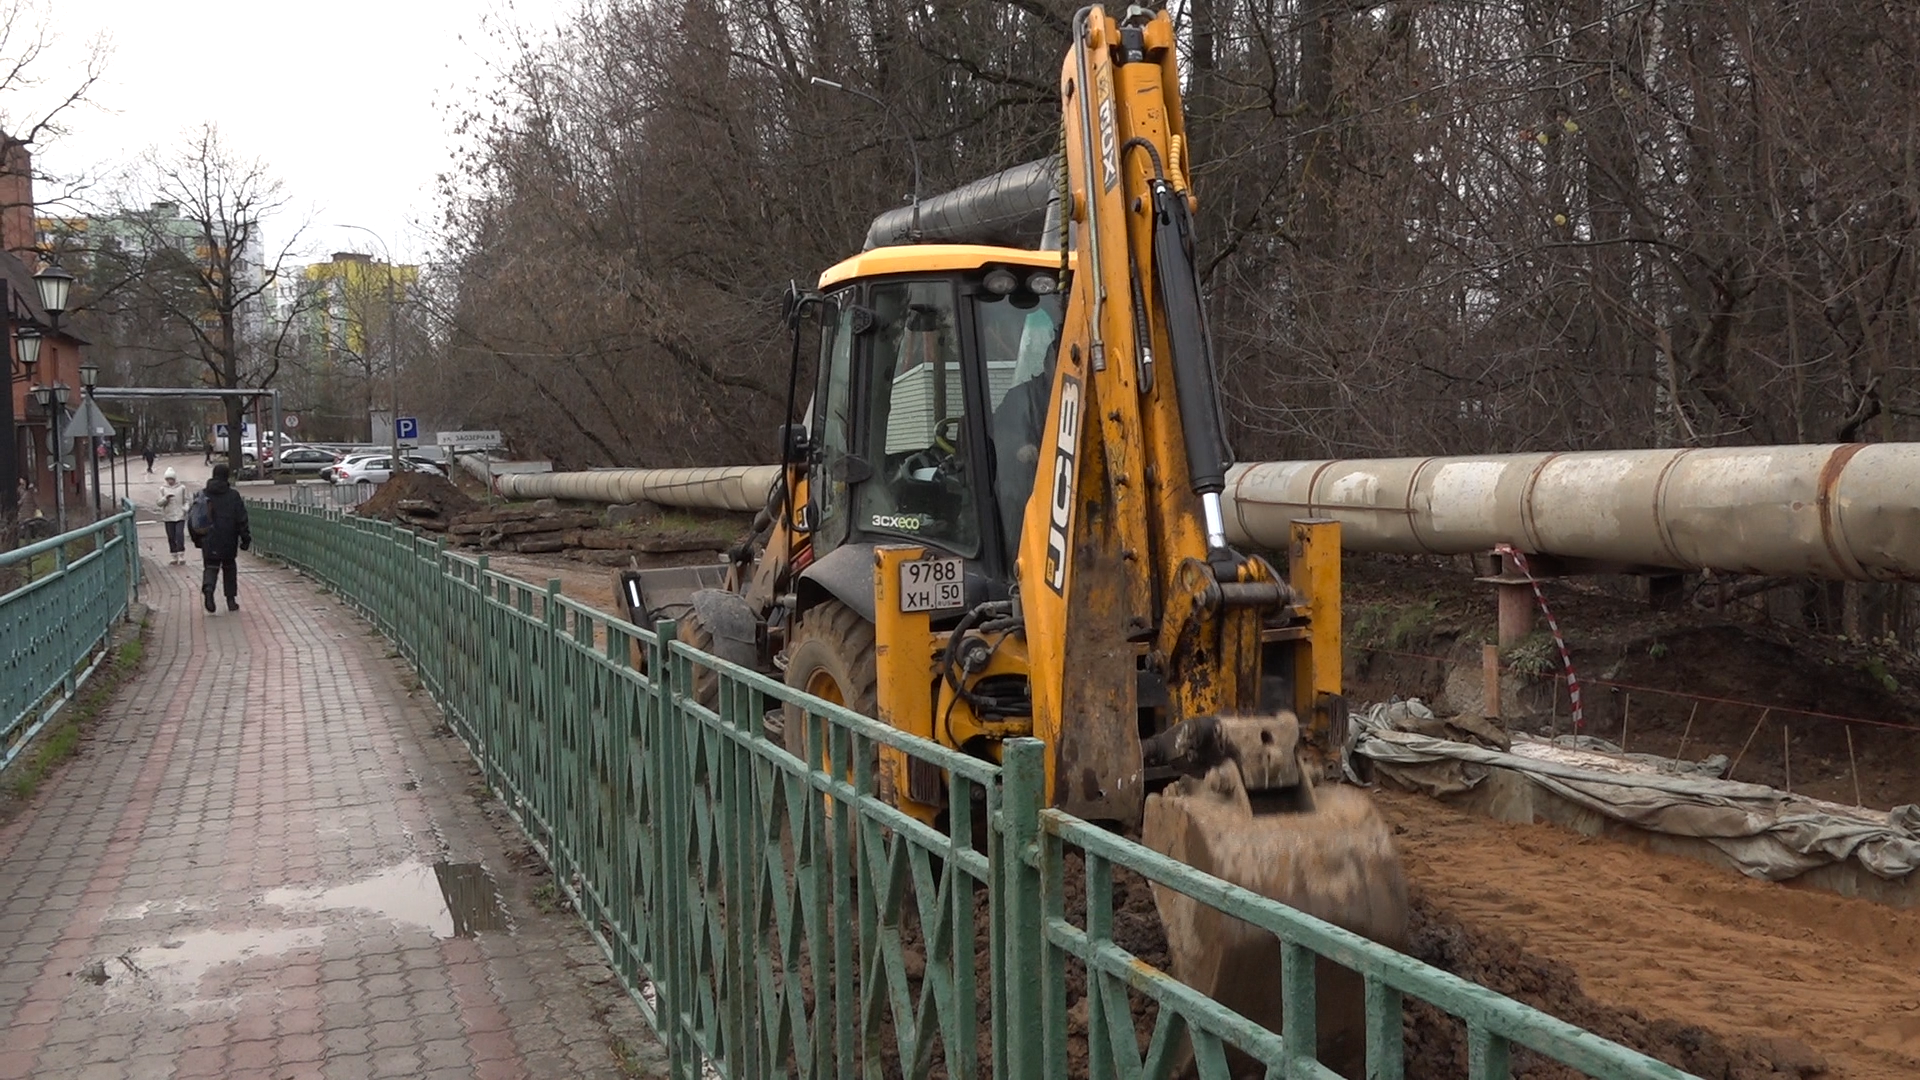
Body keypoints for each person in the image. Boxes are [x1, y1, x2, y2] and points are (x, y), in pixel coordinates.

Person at [193, 463, 251, 613]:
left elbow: (194, 518)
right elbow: (241, 519)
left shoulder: (203, 494)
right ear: (226, 476)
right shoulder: (233, 495)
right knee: (229, 567)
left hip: (208, 537)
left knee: (211, 567)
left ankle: (209, 589)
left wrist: (197, 539)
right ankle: (231, 601)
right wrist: (245, 538)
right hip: (229, 537)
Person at [156, 467, 189, 565]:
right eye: (168, 479)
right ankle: (174, 555)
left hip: (180, 515)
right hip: (168, 516)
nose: (170, 481)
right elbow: (159, 503)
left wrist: (185, 509)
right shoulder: (162, 489)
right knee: (171, 536)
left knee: (179, 534)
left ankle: (181, 554)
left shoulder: (182, 488)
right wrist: (165, 498)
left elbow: (186, 500)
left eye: (171, 479)